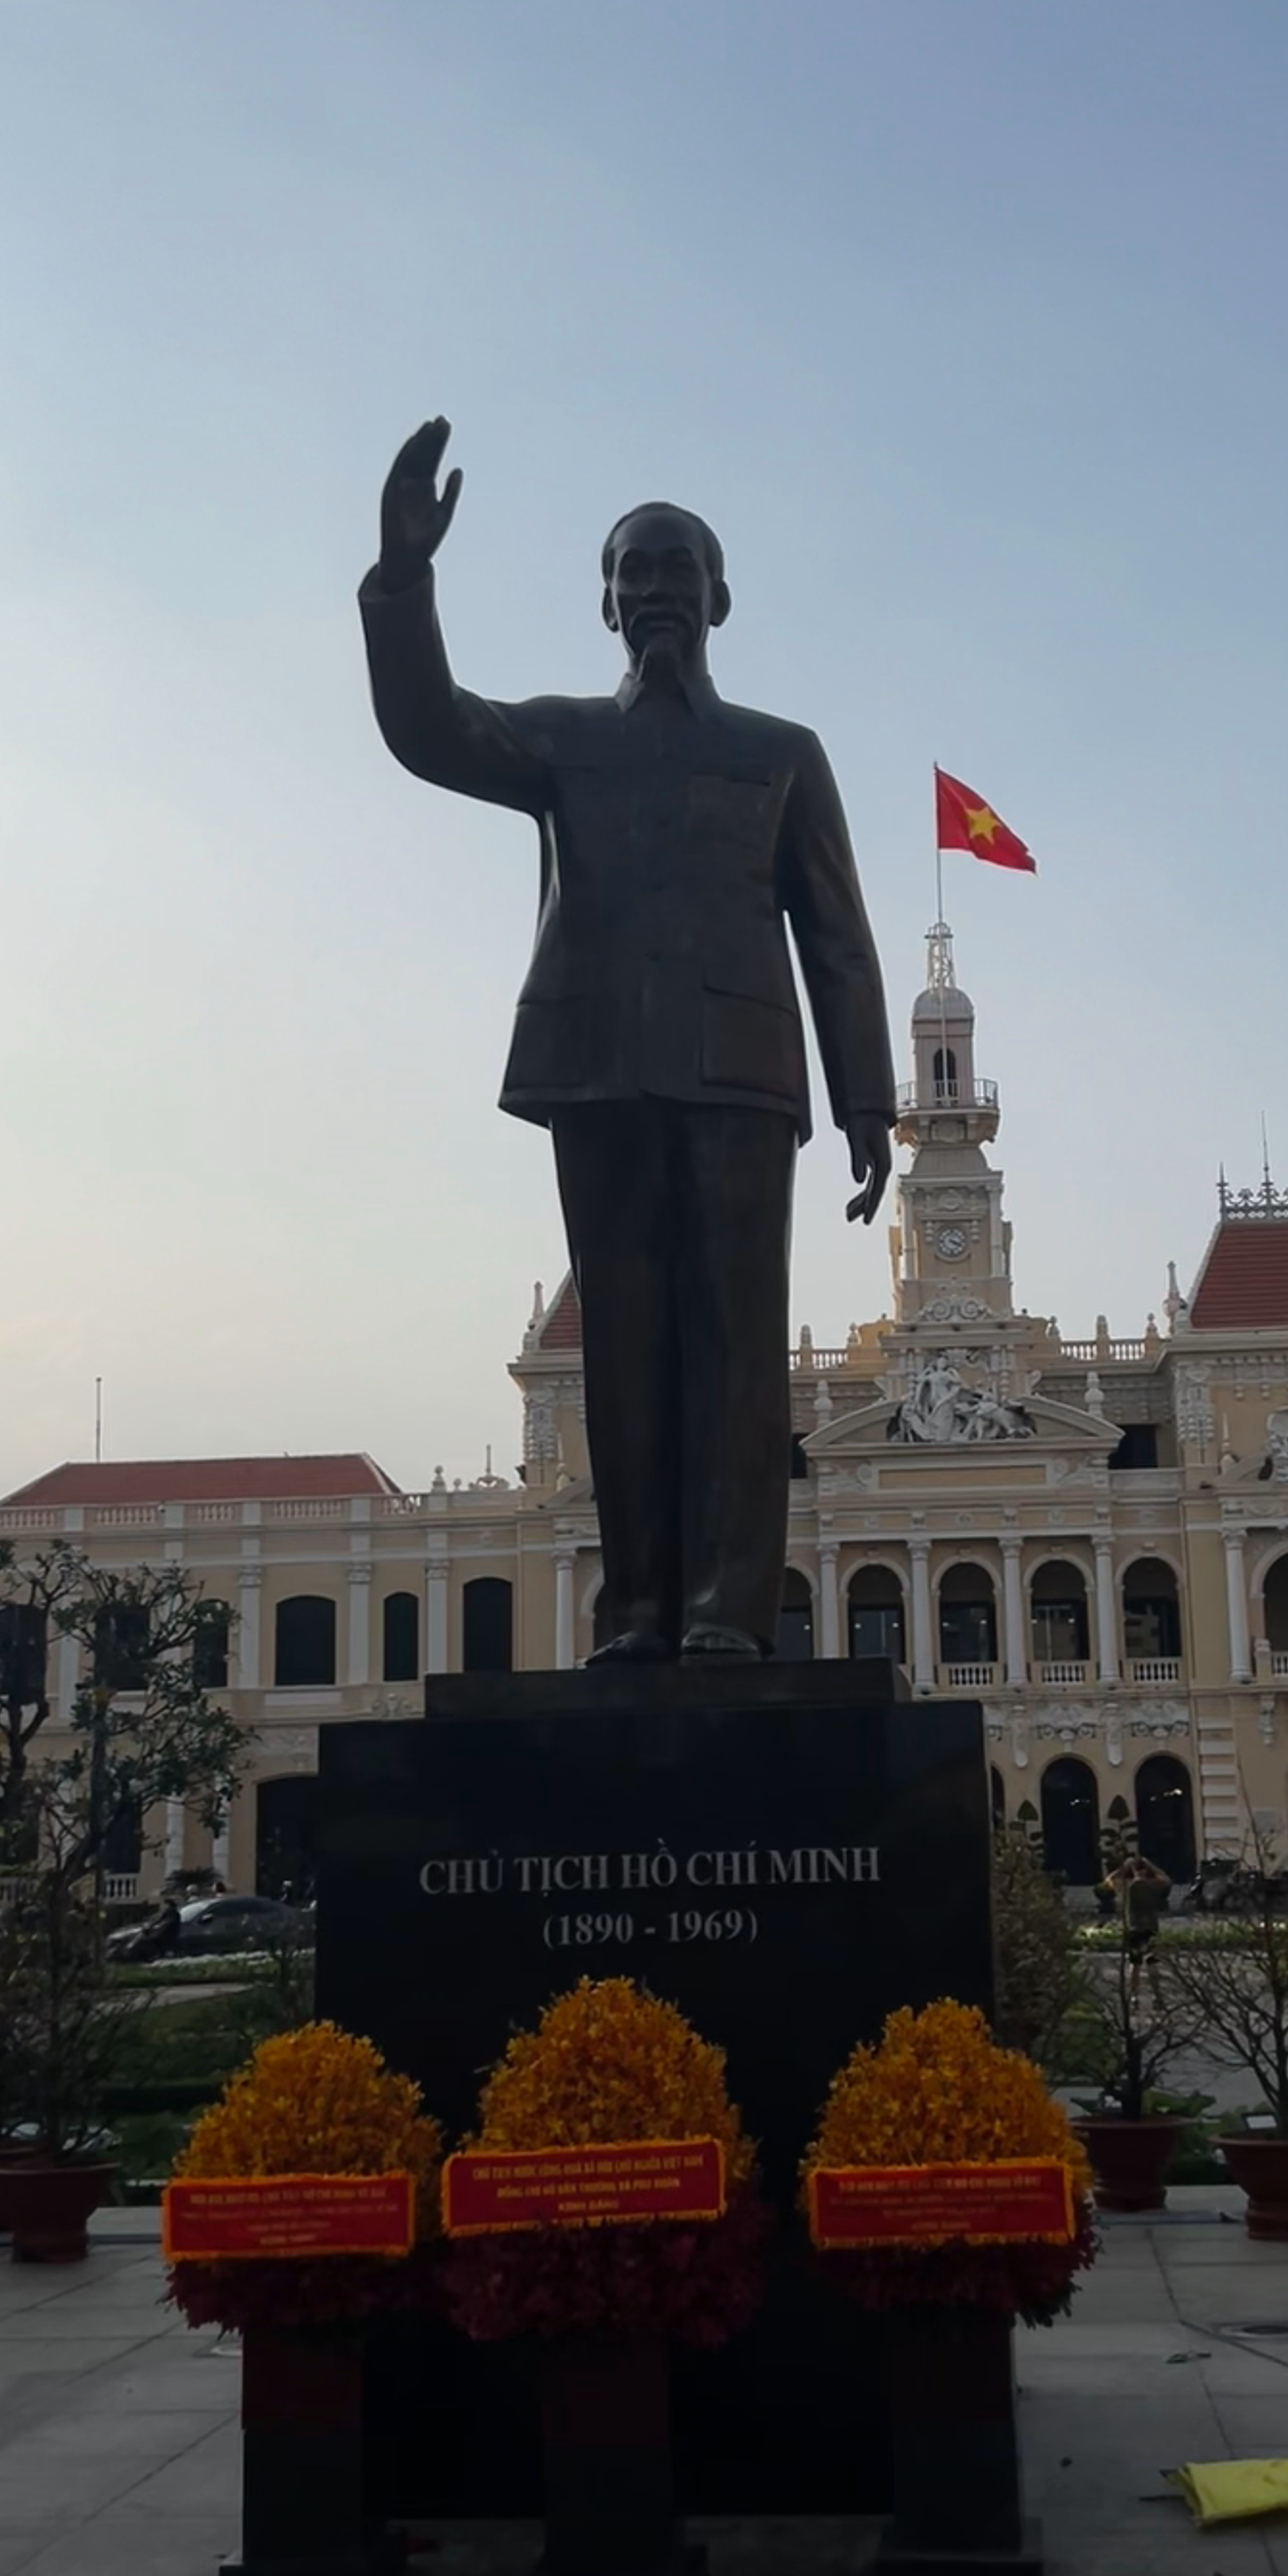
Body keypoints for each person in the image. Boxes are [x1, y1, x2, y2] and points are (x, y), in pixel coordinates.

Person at [362, 432, 895, 1659]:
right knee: (627, 1347)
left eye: (676, 569)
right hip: (595, 1068)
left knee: (735, 1347)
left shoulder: (779, 752)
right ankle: (638, 1608)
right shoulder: (560, 740)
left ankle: (728, 1608)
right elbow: (429, 728)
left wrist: (870, 1102)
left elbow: (838, 936)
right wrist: (402, 584)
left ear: (717, 599)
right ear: (605, 603)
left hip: (740, 1078)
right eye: (632, 571)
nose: (655, 589)